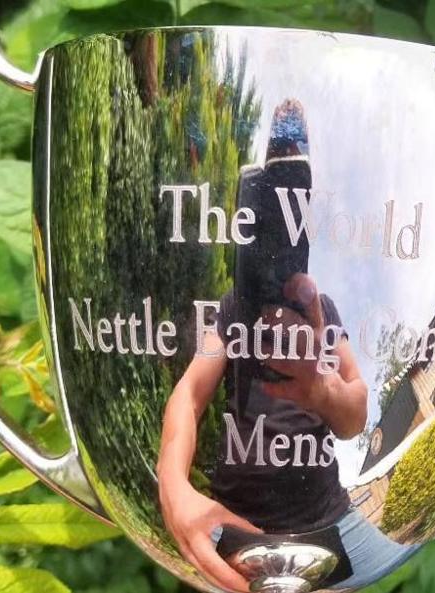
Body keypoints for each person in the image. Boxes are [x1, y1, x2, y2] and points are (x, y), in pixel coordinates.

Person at [157, 99, 412, 593]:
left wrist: (321, 392)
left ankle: (291, 158)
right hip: (230, 522)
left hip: (326, 523)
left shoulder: (322, 310)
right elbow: (190, 393)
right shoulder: (235, 307)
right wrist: (173, 486)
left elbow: (355, 414)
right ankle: (287, 159)